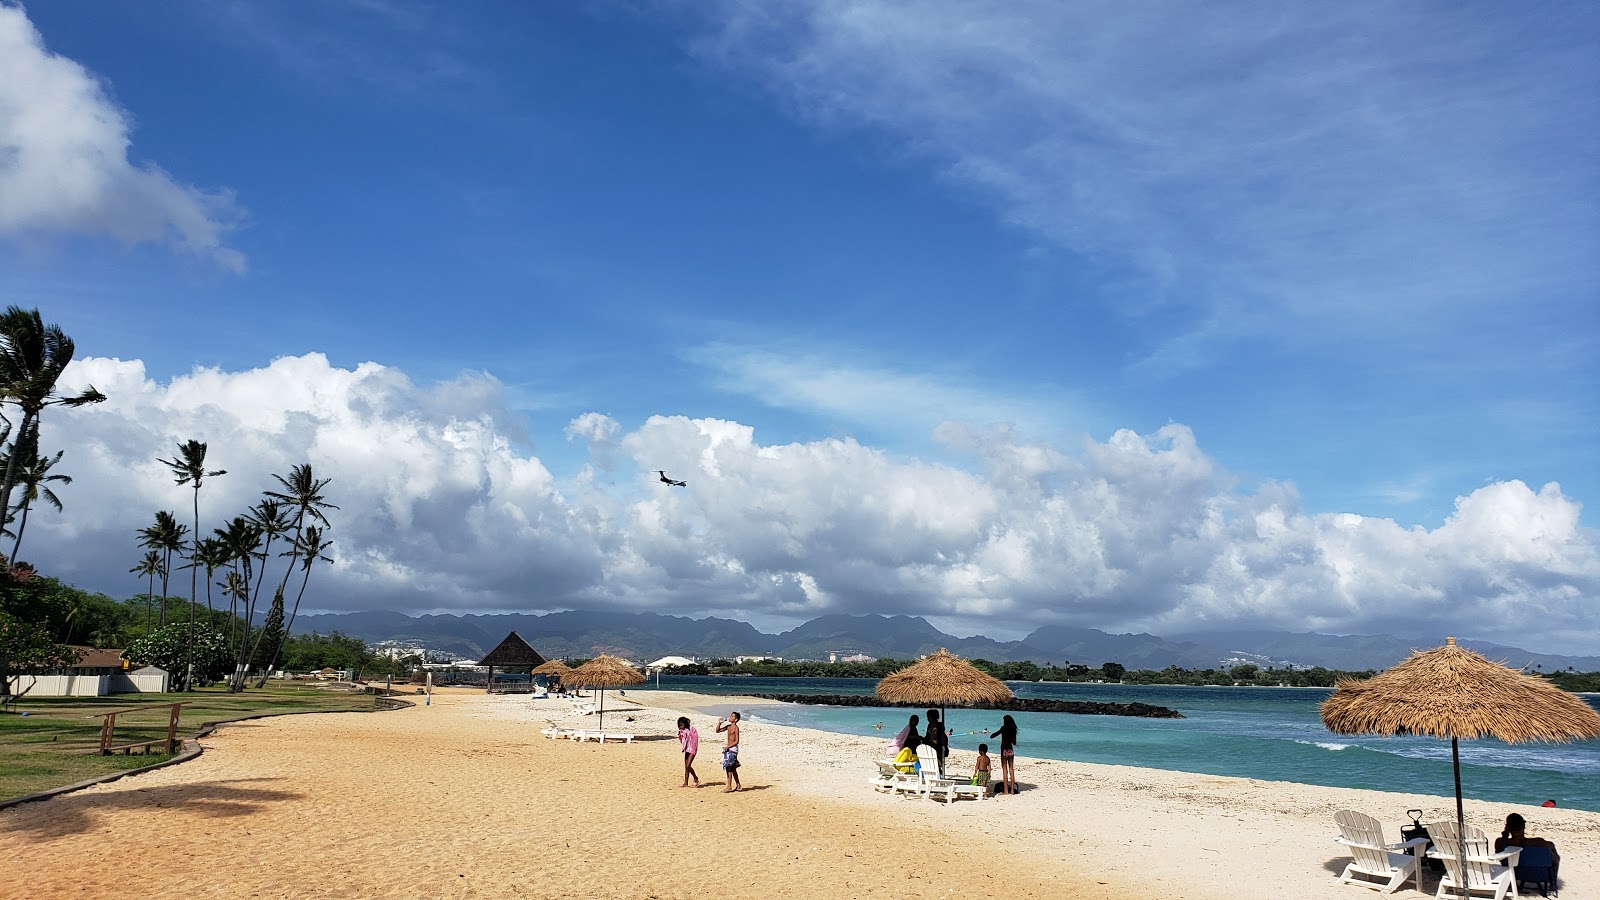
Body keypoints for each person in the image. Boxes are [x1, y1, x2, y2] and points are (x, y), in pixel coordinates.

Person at [1496, 813, 1560, 866]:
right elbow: (1554, 861)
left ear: (1508, 828)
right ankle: (1553, 879)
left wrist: (1505, 835)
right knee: (1552, 849)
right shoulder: (1539, 842)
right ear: (1524, 826)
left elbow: (1500, 859)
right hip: (1539, 874)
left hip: (1514, 873)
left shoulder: (1500, 843)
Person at [992, 714, 1019, 795]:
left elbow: (993, 735)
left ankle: (1006, 791)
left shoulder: (1003, 728)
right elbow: (1014, 743)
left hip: (1004, 750)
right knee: (1011, 769)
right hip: (1010, 750)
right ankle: (1012, 791)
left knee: (1005, 770)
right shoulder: (1013, 729)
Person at [716, 711, 742, 792]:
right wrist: (720, 723)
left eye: (732, 716)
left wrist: (728, 746)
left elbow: (737, 741)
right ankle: (738, 785)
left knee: (729, 768)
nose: (730, 717)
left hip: (733, 749)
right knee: (733, 768)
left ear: (736, 719)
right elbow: (717, 731)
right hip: (729, 748)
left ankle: (729, 786)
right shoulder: (728, 727)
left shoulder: (736, 728)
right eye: (730, 716)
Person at [677, 716, 700, 788]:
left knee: (688, 765)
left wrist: (688, 734)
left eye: (681, 725)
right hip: (687, 748)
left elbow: (695, 738)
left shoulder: (692, 729)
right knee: (686, 766)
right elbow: (682, 740)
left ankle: (696, 778)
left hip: (692, 749)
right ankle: (685, 783)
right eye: (679, 725)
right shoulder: (682, 731)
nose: (680, 727)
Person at [924, 709, 948, 774]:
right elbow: (928, 736)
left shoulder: (937, 726)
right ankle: (938, 770)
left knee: (936, 760)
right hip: (934, 745)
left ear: (931, 717)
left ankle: (938, 771)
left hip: (937, 746)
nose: (927, 719)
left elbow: (935, 736)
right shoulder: (931, 725)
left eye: (928, 717)